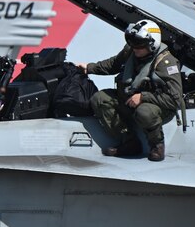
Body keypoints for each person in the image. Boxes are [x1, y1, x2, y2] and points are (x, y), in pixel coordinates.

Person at [77, 19, 184, 162]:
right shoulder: (132, 50)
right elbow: (113, 64)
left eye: (139, 46)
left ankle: (156, 145)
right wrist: (89, 68)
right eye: (132, 45)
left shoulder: (165, 63)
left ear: (152, 44)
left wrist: (143, 97)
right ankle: (129, 142)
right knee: (100, 98)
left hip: (158, 106)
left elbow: (174, 99)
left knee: (144, 112)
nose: (135, 49)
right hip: (129, 99)